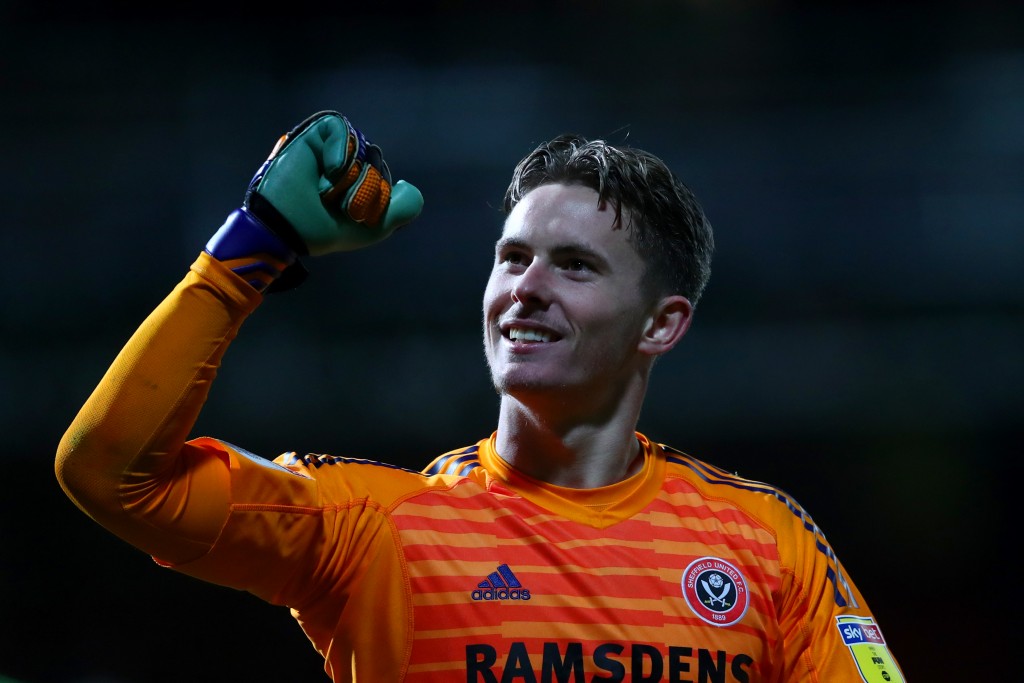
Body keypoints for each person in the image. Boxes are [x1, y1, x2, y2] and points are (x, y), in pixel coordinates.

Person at [55, 111, 903, 683]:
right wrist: (252, 249)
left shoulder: (766, 543)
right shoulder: (376, 530)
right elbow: (111, 476)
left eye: (575, 266)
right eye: (513, 257)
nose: (526, 288)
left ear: (661, 323)